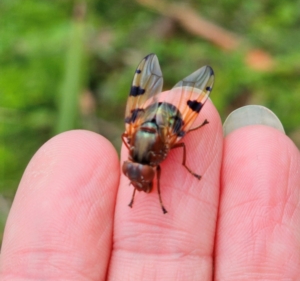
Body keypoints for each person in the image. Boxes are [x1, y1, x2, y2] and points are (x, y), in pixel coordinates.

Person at [0, 103, 299, 279]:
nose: (137, 181)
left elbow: (174, 138)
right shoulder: (135, 155)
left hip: (163, 120)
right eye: (135, 177)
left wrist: (184, 150)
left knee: (181, 137)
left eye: (137, 178)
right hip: (146, 125)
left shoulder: (159, 152)